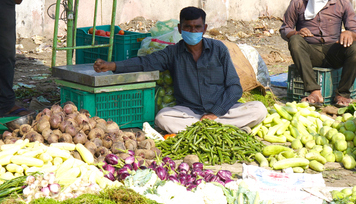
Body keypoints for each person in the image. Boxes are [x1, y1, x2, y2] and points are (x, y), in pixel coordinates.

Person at [93, 7, 267, 133]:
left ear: (204, 29)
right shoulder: (173, 53)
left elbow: (234, 87)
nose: (193, 31)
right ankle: (224, 129)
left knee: (259, 109)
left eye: (197, 27)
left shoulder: (218, 49)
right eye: (188, 27)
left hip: (220, 110)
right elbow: (145, 62)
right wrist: (113, 66)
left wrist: (215, 113)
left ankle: (208, 127)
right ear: (180, 29)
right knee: (162, 118)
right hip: (190, 113)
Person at [280, 0, 356, 107]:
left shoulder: (342, 3)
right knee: (294, 40)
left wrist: (350, 33)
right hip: (309, 53)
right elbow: (285, 29)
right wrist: (296, 33)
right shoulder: (299, 2)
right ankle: (314, 91)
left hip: (334, 52)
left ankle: (342, 94)